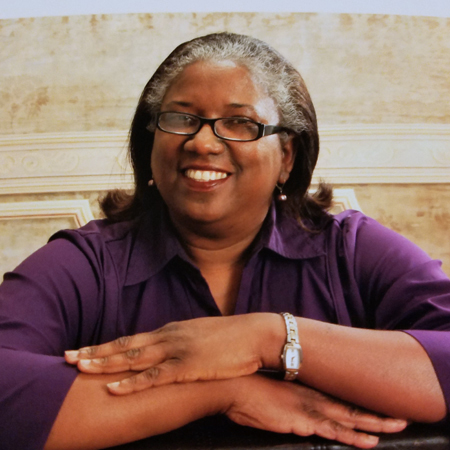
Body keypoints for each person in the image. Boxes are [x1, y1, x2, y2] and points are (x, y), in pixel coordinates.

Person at [0, 32, 449, 450]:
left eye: (240, 123)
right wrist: (222, 390)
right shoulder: (89, 261)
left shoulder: (350, 249)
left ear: (287, 156)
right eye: (181, 118)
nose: (201, 142)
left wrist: (265, 337)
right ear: (150, 140)